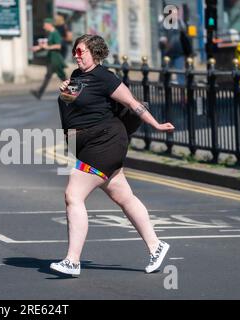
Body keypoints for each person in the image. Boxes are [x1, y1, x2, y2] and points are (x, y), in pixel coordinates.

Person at [51, 34, 175, 276]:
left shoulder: (104, 78)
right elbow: (70, 110)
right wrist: (64, 91)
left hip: (104, 142)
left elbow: (133, 104)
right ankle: (156, 246)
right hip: (86, 145)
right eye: (75, 51)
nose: (76, 55)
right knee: (124, 196)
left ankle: (72, 260)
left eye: (81, 51)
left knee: (73, 195)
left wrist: (157, 125)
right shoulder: (78, 77)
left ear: (94, 53)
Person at [31, 18, 67, 100]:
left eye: (45, 25)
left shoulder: (55, 33)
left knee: (62, 77)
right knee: (49, 76)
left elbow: (58, 46)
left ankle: (75, 91)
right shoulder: (50, 33)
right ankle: (39, 93)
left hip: (56, 59)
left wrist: (47, 47)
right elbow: (46, 45)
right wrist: (37, 48)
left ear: (49, 25)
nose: (44, 27)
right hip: (51, 59)